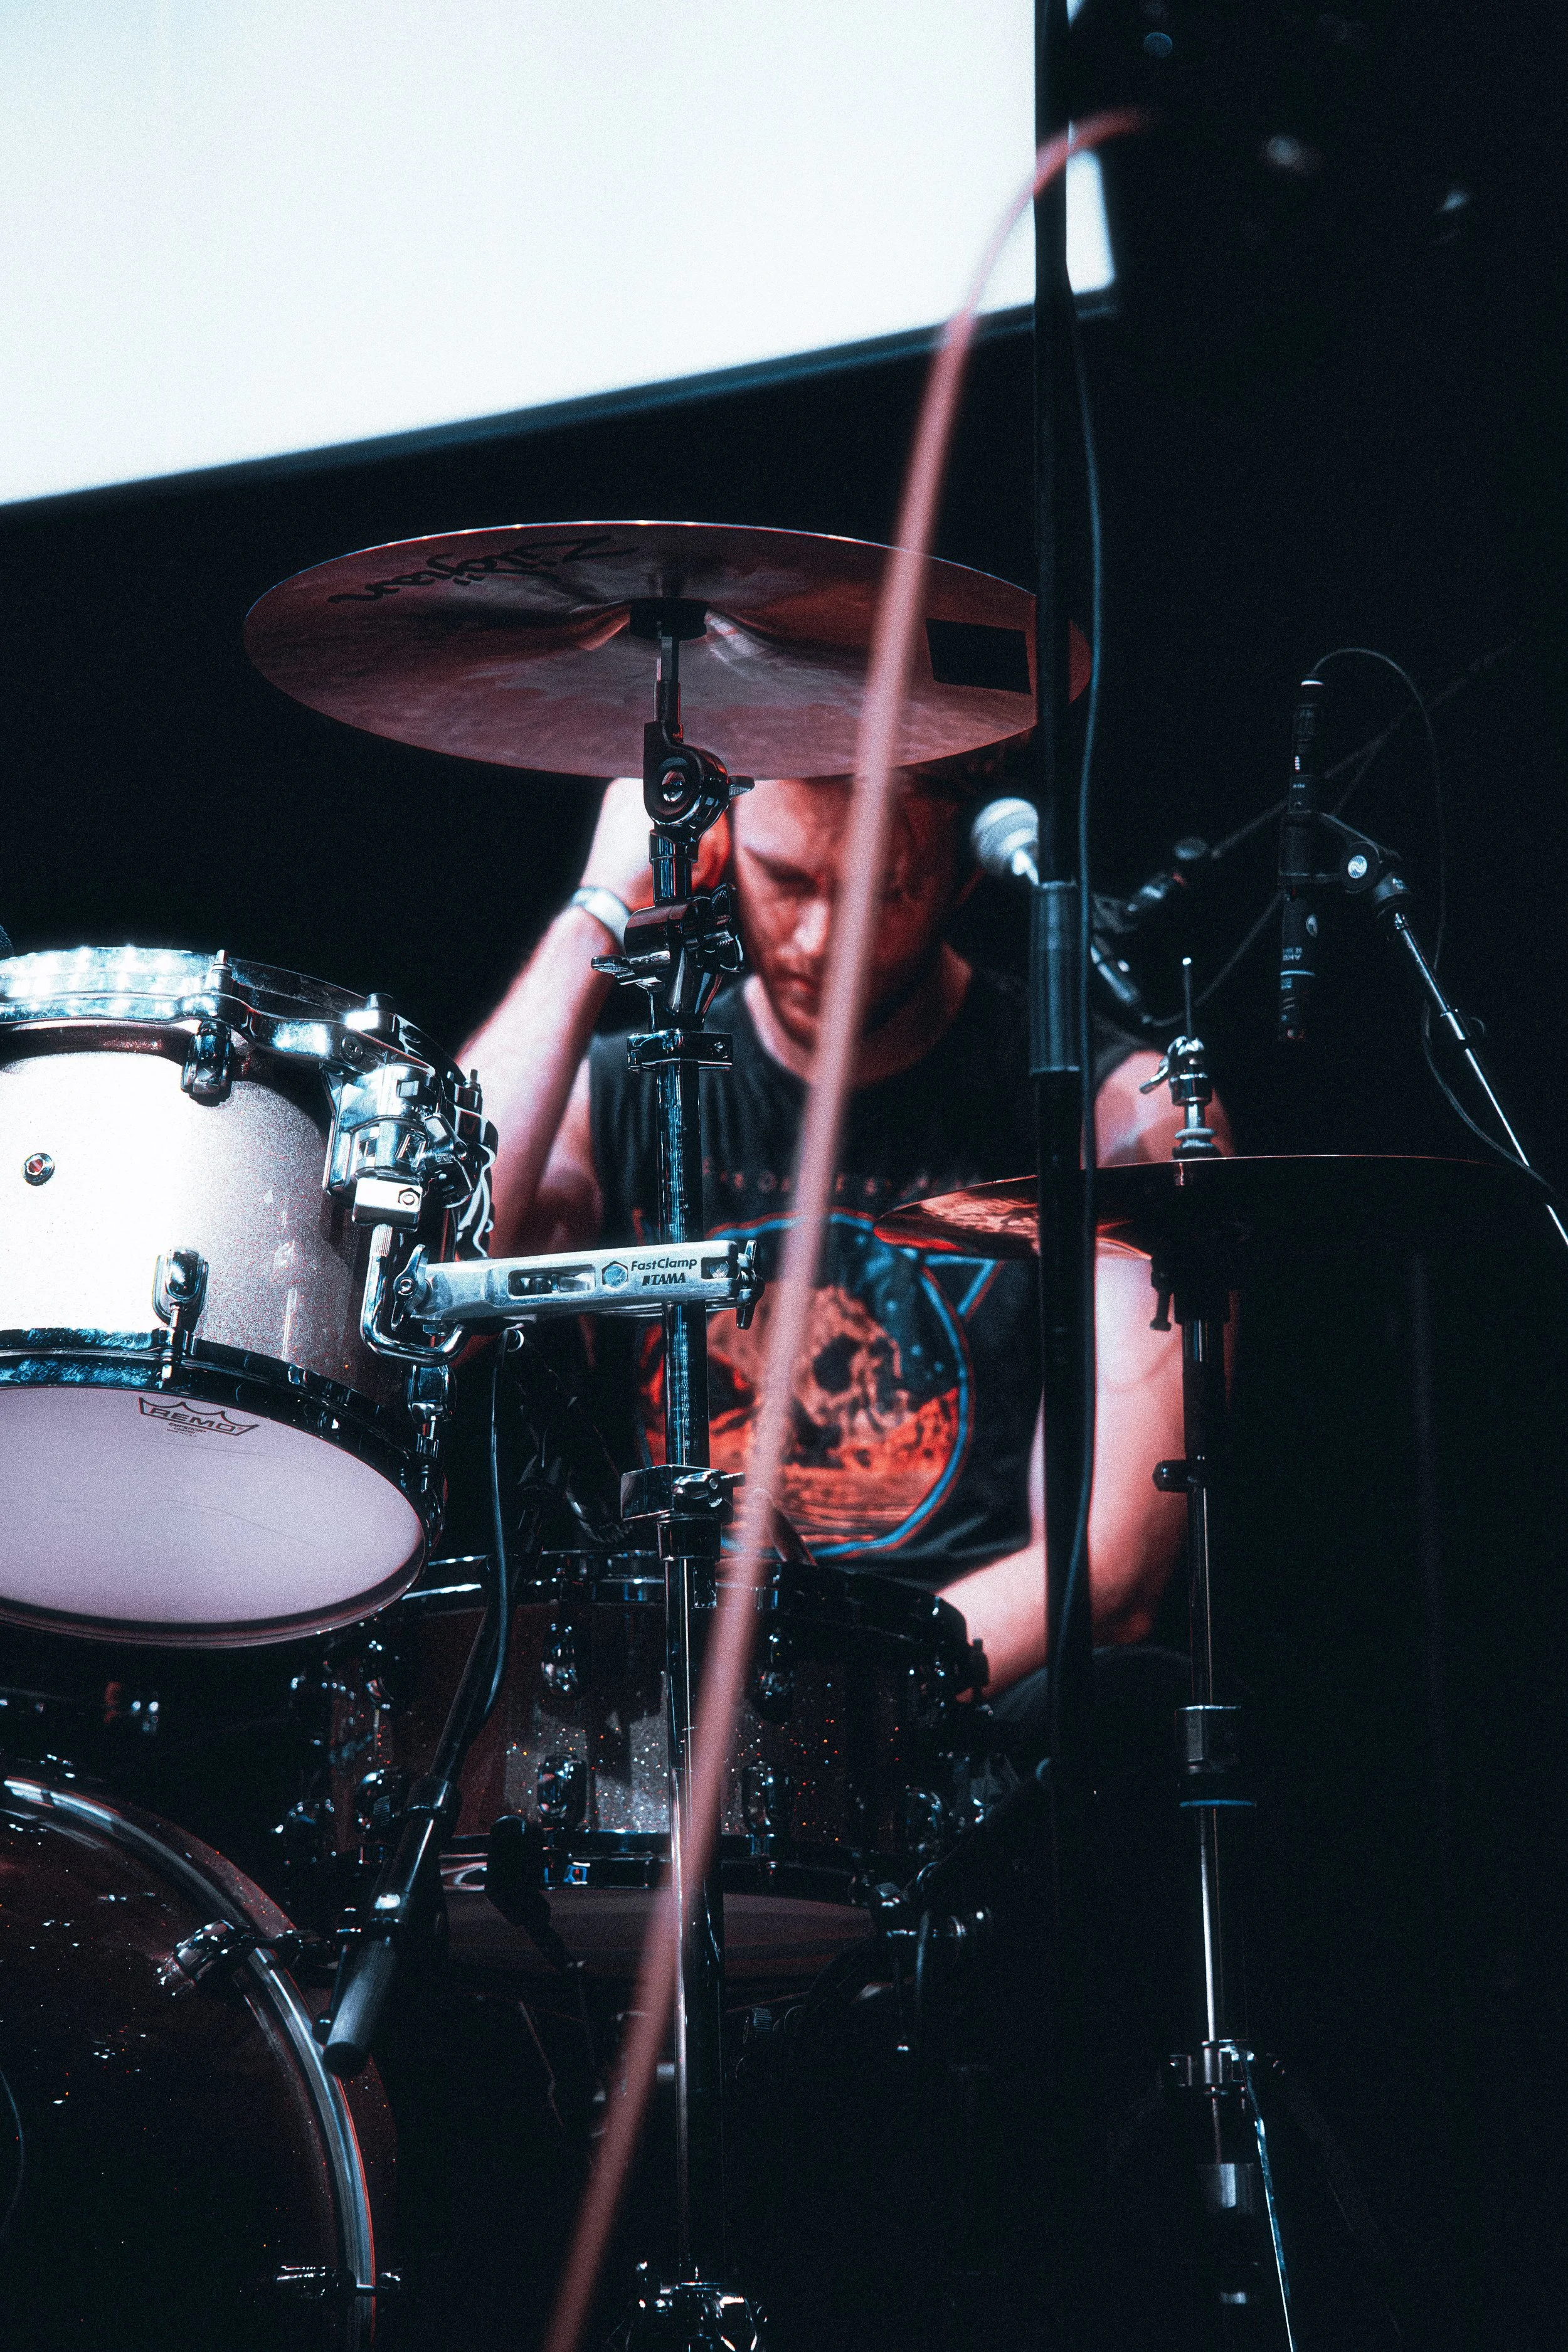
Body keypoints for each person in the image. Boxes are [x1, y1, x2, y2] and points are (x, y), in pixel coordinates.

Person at [462, 768, 1229, 1697]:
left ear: (966, 877)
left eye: (883, 890)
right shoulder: (622, 1092)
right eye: (785, 880)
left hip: (962, 1728)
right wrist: (599, 906)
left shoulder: (1111, 1113)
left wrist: (824, 1715)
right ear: (719, 850)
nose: (821, 940)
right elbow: (440, 1288)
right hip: (673, 1715)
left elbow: (1111, 1571)